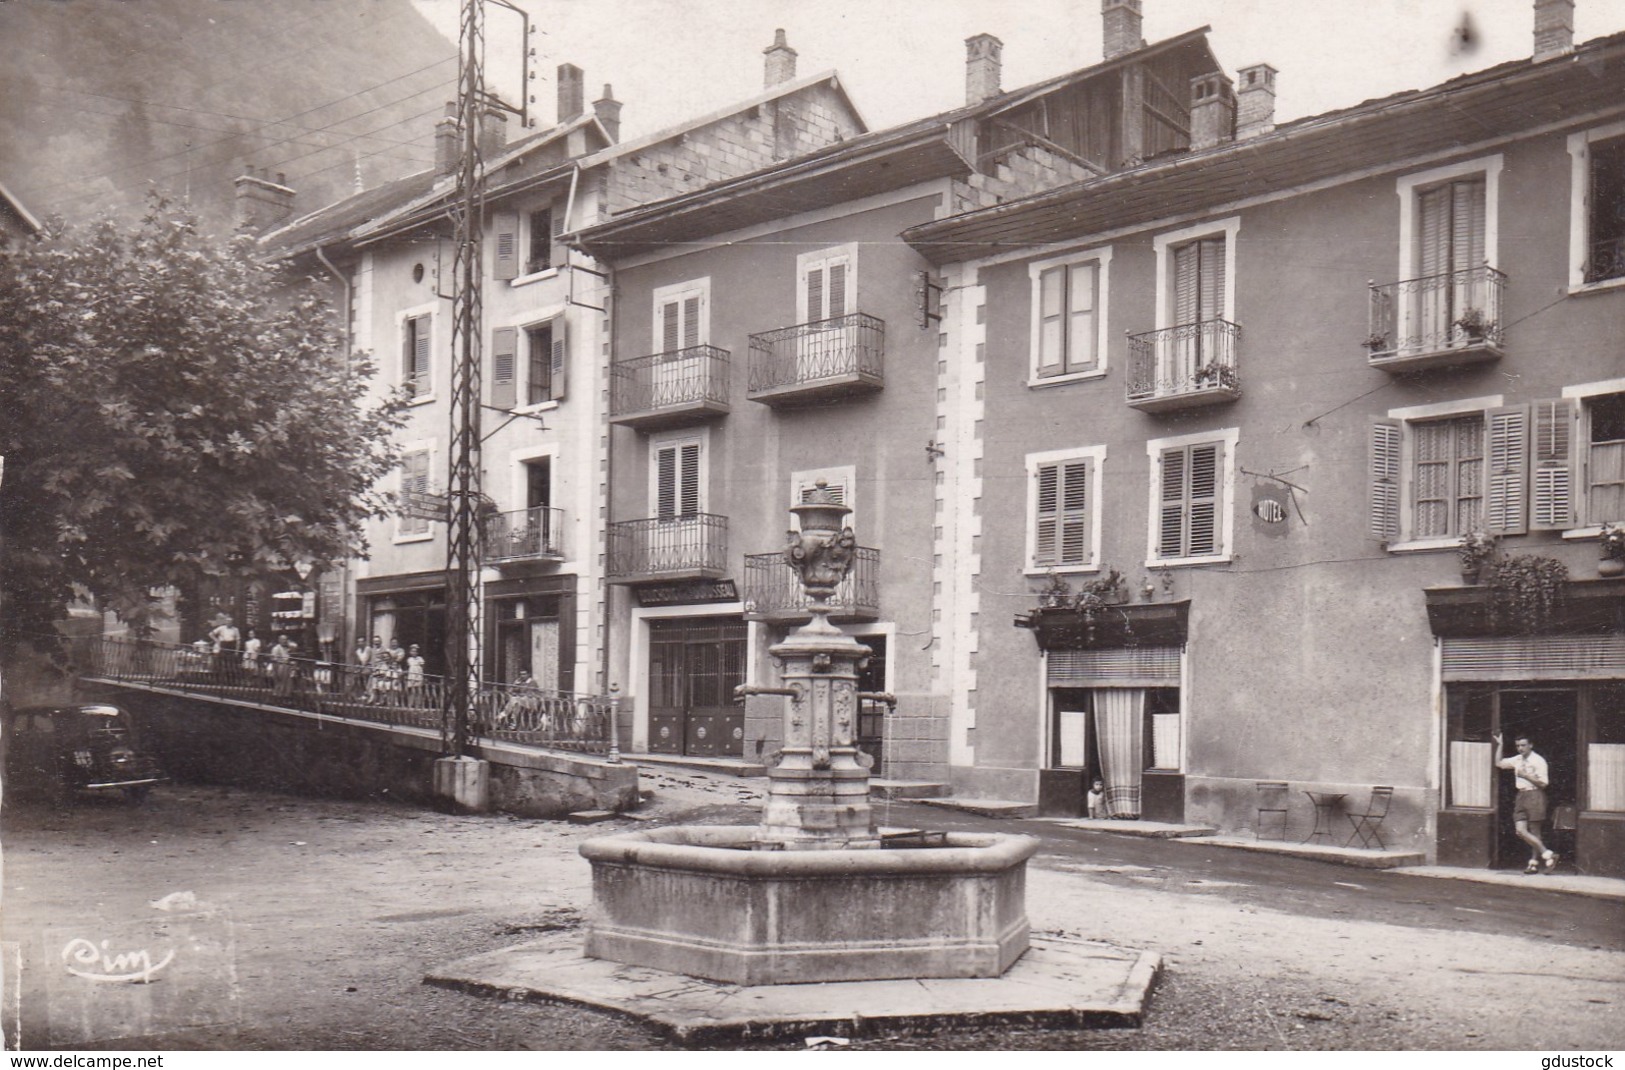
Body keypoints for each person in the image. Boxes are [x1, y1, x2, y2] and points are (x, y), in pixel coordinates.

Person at [1493, 731, 1557, 874]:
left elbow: (1544, 783)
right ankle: (1547, 854)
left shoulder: (1538, 761)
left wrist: (1526, 776)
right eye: (1518, 746)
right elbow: (1499, 763)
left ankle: (1533, 864)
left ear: (1530, 745)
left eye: (1523, 745)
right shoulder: (1517, 759)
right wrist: (1500, 745)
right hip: (1521, 795)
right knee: (1520, 831)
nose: (1520, 748)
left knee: (1535, 830)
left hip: (1535, 794)